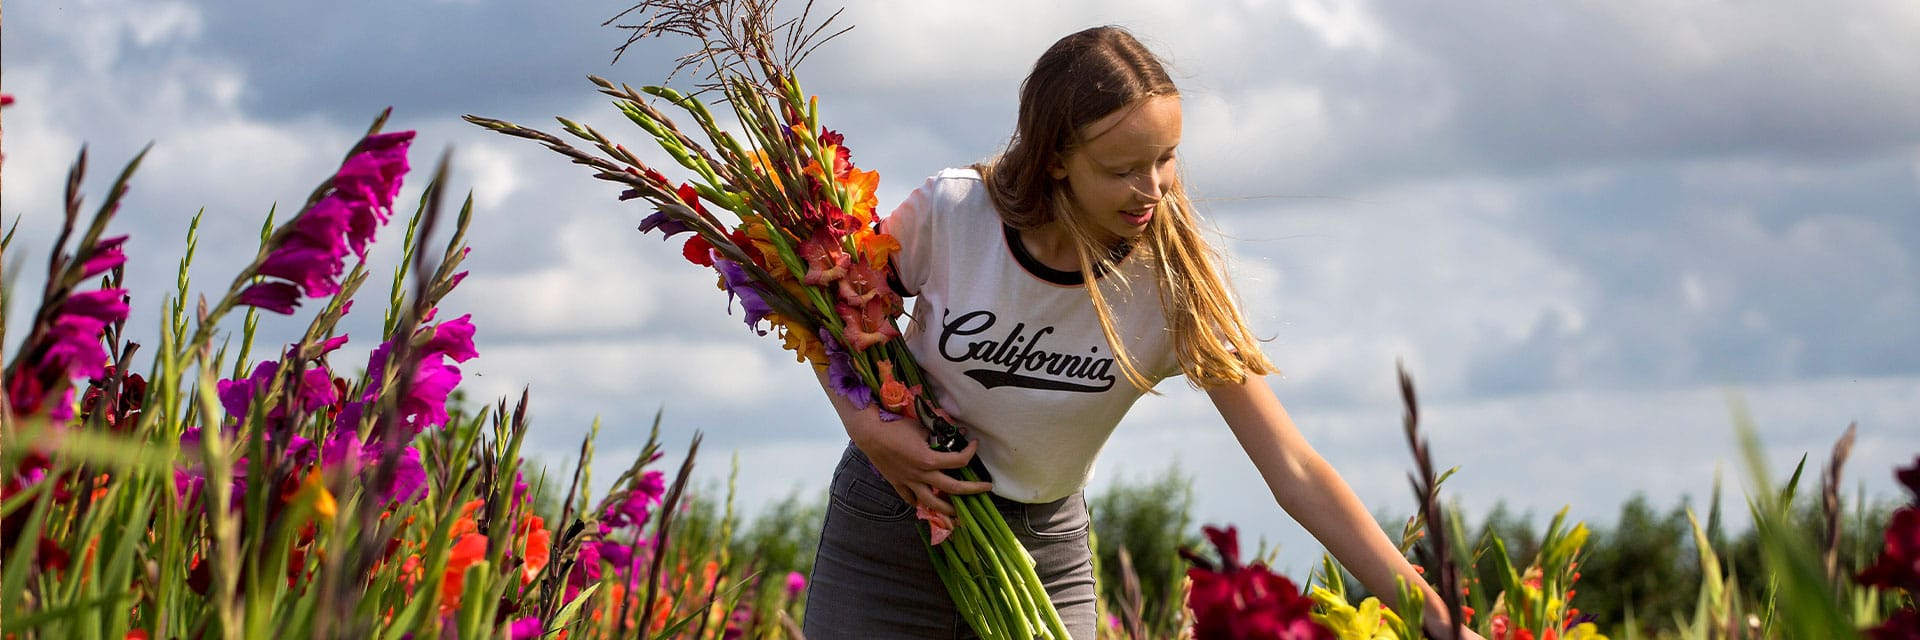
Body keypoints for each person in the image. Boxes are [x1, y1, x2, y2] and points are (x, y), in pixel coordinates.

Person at [804, 25, 1483, 640]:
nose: (1152, 188)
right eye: (1122, 169)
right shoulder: (955, 214)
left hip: (1040, 558)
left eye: (1165, 159)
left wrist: (1437, 617)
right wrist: (869, 432)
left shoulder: (1176, 286)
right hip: (889, 531)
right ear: (1055, 158)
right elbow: (829, 315)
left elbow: (1296, 471)